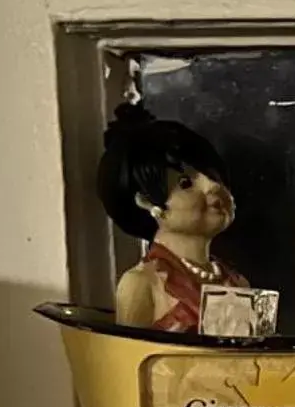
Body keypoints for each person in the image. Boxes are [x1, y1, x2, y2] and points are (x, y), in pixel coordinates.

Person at [98, 102, 247, 333]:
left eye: (213, 175)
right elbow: (129, 363)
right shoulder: (142, 284)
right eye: (186, 183)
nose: (213, 186)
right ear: (147, 203)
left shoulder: (237, 283)